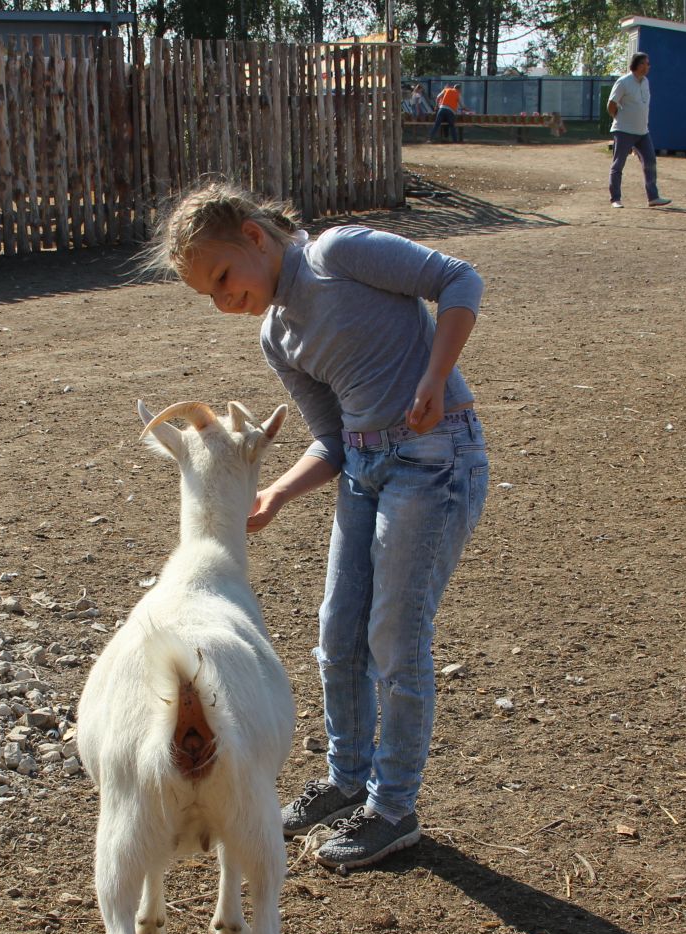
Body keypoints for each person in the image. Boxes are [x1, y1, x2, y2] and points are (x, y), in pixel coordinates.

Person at [144, 181, 490, 871]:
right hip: (366, 471)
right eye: (206, 296)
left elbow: (458, 280)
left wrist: (435, 373)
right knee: (337, 633)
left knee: (395, 633)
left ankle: (393, 809)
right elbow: (332, 439)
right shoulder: (278, 335)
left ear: (253, 237)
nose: (222, 300)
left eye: (222, 278)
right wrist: (273, 493)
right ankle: (346, 777)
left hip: (434, 457)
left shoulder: (340, 254)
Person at [607, 52, 670, 208]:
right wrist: (619, 119)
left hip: (642, 131)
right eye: (645, 63)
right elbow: (611, 104)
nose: (648, 66)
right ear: (638, 64)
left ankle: (653, 197)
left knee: (650, 162)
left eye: (648, 64)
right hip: (624, 130)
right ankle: (615, 199)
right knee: (618, 164)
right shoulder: (623, 82)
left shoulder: (646, 82)